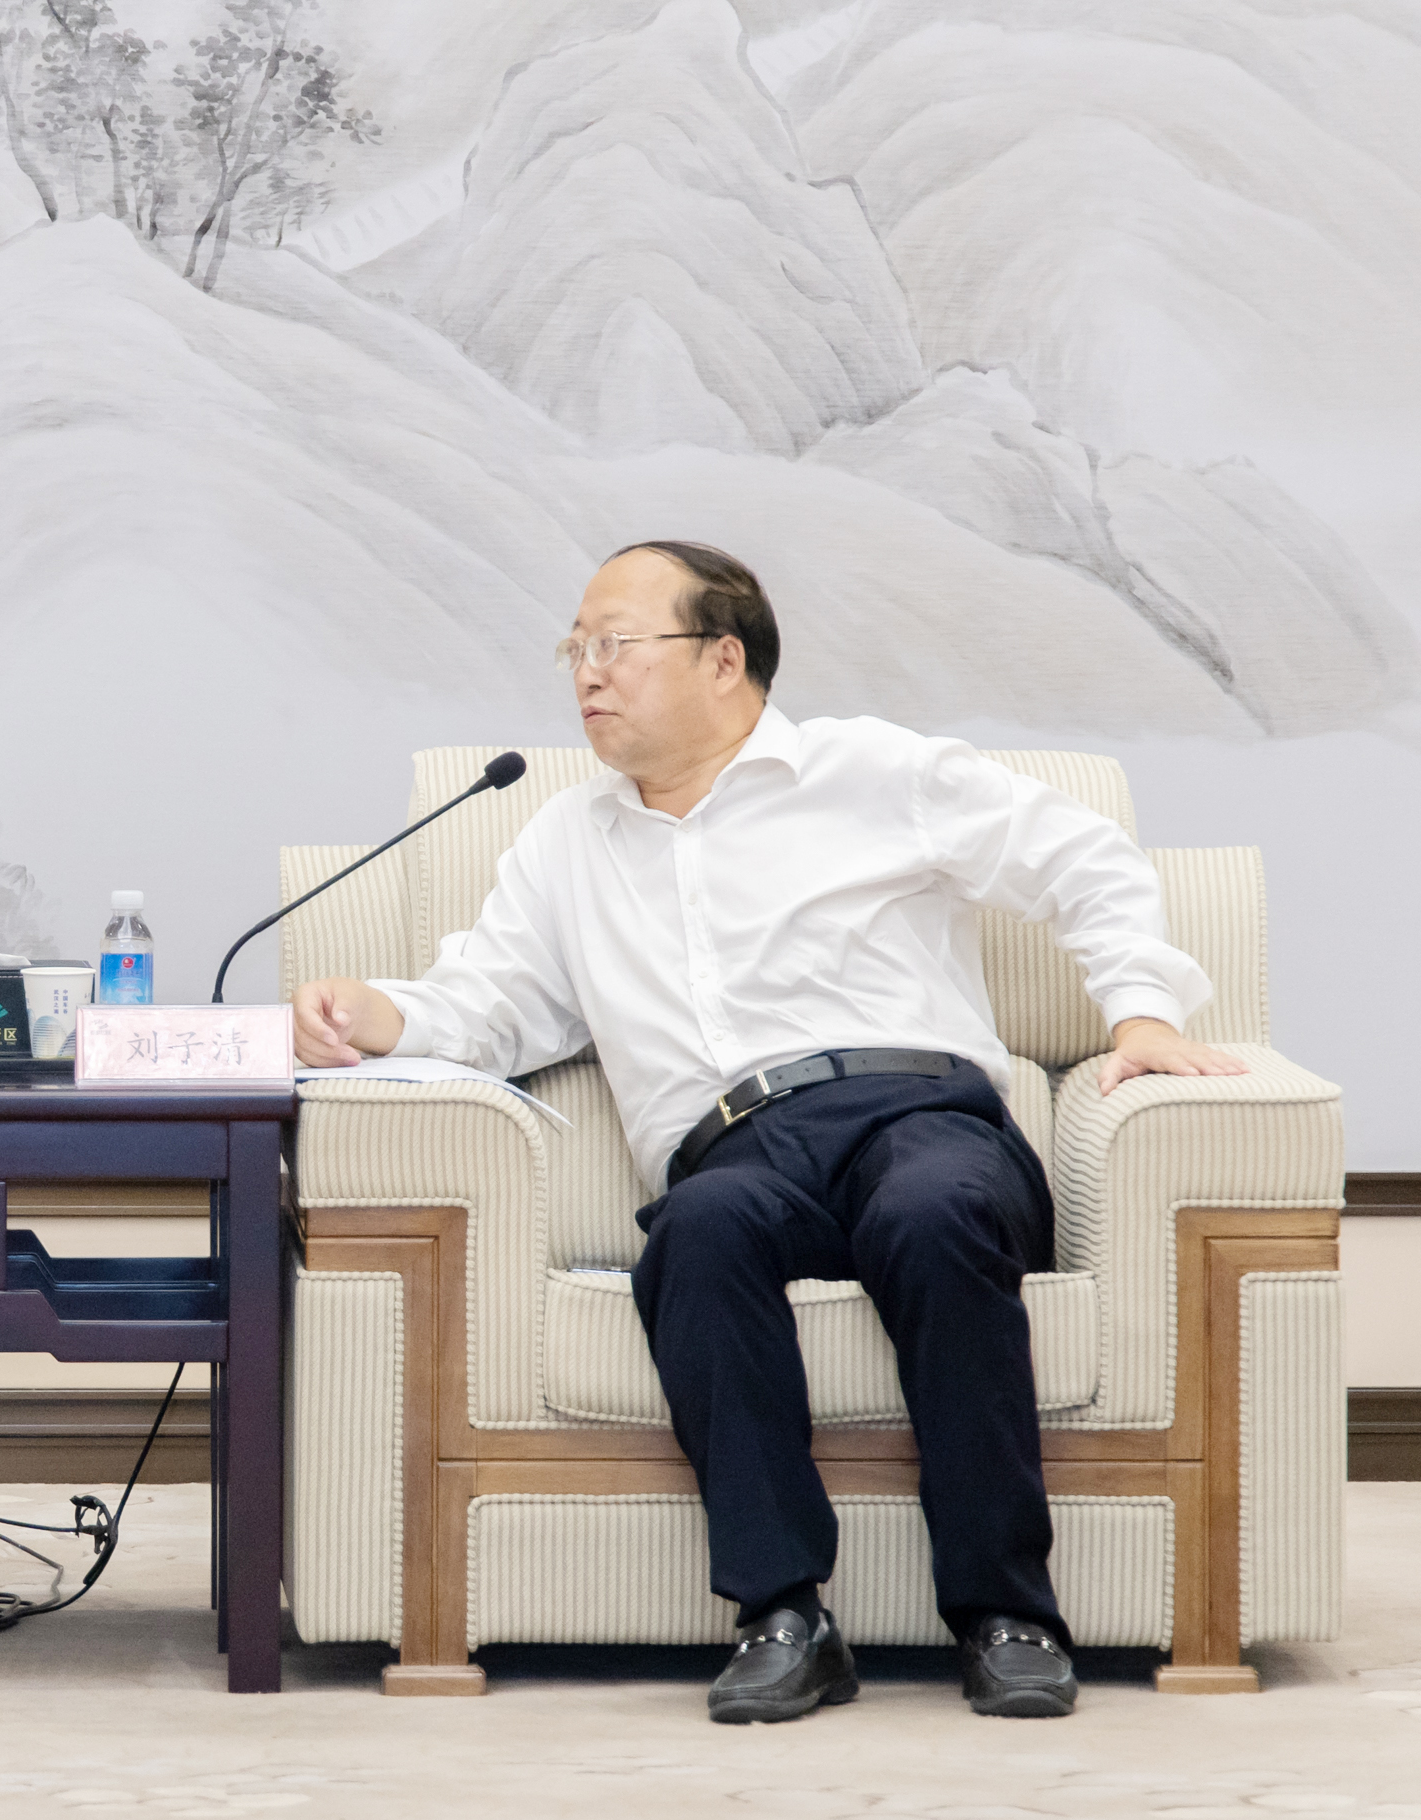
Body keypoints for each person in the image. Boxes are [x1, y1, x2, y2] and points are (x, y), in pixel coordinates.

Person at [294, 542, 1242, 1725]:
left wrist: (1141, 1011)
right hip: (734, 1152)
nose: (587, 671)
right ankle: (784, 1614)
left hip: (916, 1110)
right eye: (575, 648)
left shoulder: (870, 769)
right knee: (695, 1233)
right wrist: (376, 1013)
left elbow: (1081, 856)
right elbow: (490, 1007)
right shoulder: (564, 842)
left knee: (935, 1212)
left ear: (723, 658)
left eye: (615, 643)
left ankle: (1007, 1611)